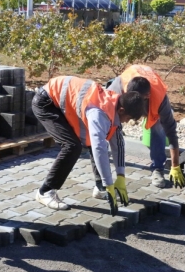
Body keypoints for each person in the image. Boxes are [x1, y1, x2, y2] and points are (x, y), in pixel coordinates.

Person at [32, 76, 145, 216]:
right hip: (46, 103)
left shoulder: (113, 104)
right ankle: (45, 191)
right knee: (72, 146)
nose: (127, 122)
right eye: (128, 118)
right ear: (122, 110)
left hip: (63, 102)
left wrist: (120, 176)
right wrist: (109, 183)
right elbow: (99, 148)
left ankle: (100, 188)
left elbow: (118, 143)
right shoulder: (99, 113)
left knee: (92, 141)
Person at [93, 64, 185, 193]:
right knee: (109, 128)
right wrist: (104, 179)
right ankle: (100, 179)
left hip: (152, 99)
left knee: (158, 127)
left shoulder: (160, 99)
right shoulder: (117, 90)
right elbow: (100, 130)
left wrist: (175, 165)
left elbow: (171, 130)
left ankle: (158, 169)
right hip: (126, 86)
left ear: (147, 96)